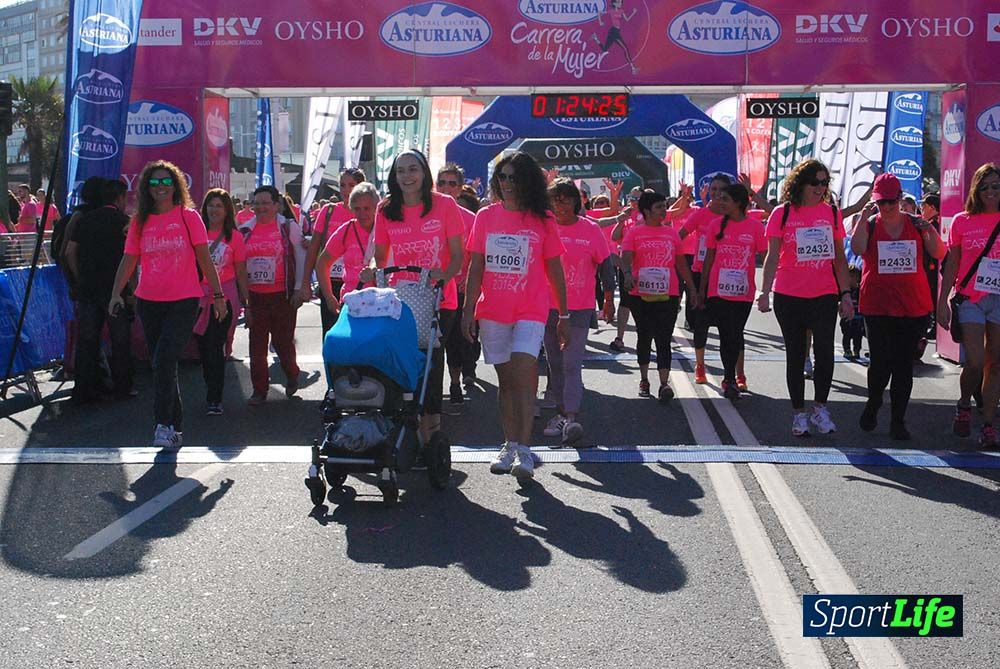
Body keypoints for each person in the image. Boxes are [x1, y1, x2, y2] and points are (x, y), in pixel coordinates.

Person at [462, 151, 567, 478]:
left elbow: (555, 268)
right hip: (493, 309)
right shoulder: (485, 217)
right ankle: (509, 444)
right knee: (506, 382)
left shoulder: (543, 219)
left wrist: (563, 315)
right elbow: (476, 265)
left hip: (531, 308)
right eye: (502, 177)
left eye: (513, 177)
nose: (507, 184)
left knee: (524, 372)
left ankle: (524, 448)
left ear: (526, 181)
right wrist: (467, 310)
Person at [108, 161, 227, 448]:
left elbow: (204, 258)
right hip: (149, 302)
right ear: (147, 187)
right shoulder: (139, 221)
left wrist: (219, 295)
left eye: (166, 182)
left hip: (184, 300)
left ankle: (162, 424)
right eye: (154, 183)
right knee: (164, 364)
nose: (160, 188)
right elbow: (129, 259)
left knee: (163, 360)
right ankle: (175, 427)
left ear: (175, 185)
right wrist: (115, 293)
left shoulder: (189, 217)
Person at [367, 150, 464, 446]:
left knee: (431, 368)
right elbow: (380, 260)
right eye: (400, 171)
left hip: (437, 302)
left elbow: (458, 257)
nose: (407, 177)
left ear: (424, 173)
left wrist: (441, 278)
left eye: (413, 170)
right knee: (400, 365)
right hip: (400, 303)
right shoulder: (385, 209)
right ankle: (402, 432)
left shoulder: (445, 206)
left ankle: (431, 436)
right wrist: (369, 272)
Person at [758, 159, 854, 437]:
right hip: (789, 295)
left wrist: (846, 294)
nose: (821, 188)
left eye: (825, 183)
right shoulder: (782, 213)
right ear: (800, 183)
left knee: (825, 354)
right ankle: (799, 414)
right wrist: (764, 292)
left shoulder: (832, 214)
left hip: (824, 294)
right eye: (816, 182)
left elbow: (839, 258)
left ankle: (821, 409)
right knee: (796, 355)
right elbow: (772, 256)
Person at [851, 173, 945, 440]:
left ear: (900, 199)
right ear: (875, 202)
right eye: (882, 203)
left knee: (903, 365)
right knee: (880, 363)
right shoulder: (869, 224)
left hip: (912, 305)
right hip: (878, 305)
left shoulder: (916, 224)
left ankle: (898, 421)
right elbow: (857, 250)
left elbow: (939, 253)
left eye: (892, 201)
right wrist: (861, 219)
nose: (887, 207)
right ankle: (874, 403)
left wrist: (929, 229)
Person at [541, 178, 614, 444]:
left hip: (579, 307)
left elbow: (606, 265)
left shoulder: (590, 229)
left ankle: (569, 416)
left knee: (572, 363)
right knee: (555, 364)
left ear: (577, 201)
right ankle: (560, 412)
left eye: (566, 198)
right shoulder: (543, 227)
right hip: (546, 306)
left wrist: (608, 298)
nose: (560, 204)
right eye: (555, 199)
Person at [937, 163, 1000, 448]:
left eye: (996, 186)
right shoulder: (963, 220)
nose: (991, 191)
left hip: (998, 299)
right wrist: (942, 302)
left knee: (995, 364)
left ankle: (988, 423)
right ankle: (964, 403)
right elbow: (952, 264)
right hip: (971, 298)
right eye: (985, 186)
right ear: (976, 189)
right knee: (974, 361)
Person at [621, 190, 697, 402]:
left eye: (665, 206)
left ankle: (664, 383)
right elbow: (625, 256)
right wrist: (627, 274)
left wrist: (691, 288)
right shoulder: (635, 233)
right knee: (644, 336)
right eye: (659, 207)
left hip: (668, 293)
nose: (664, 211)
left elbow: (681, 263)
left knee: (664, 338)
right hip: (640, 294)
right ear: (646, 211)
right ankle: (644, 378)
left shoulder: (671, 233)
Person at [65, 178, 134, 403]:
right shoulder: (125, 222)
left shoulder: (84, 220)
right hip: (116, 289)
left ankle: (83, 389)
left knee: (87, 341)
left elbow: (69, 252)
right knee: (120, 340)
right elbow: (132, 259)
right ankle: (123, 387)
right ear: (120, 198)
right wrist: (132, 289)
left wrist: (79, 277)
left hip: (87, 288)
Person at [697, 183, 767, 401]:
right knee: (727, 333)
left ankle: (732, 377)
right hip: (719, 291)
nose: (720, 202)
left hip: (743, 292)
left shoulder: (755, 227)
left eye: (725, 199)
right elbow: (708, 259)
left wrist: (768, 287)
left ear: (738, 203)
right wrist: (702, 290)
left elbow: (766, 257)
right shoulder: (716, 225)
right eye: (719, 198)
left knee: (735, 333)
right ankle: (729, 378)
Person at [240, 185, 307, 404]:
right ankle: (259, 390)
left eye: (265, 203)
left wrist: (299, 288)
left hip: (283, 295)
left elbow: (301, 257)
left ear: (276, 205)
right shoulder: (245, 230)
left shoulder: (289, 227)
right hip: (256, 296)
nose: (260, 207)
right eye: (257, 203)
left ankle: (292, 374)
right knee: (257, 345)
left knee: (282, 342)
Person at [195, 189, 249, 415]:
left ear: (227, 210)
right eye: (210, 205)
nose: (214, 210)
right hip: (197, 299)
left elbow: (240, 271)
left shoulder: (234, 237)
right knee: (204, 348)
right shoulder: (195, 233)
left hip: (224, 299)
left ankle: (214, 397)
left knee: (214, 346)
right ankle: (211, 385)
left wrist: (247, 300)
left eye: (219, 206)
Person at [680, 174, 732, 386]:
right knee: (700, 325)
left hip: (727, 277)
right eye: (713, 189)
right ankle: (700, 365)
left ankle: (730, 376)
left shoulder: (734, 216)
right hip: (701, 274)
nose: (717, 194)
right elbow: (679, 235)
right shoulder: (701, 215)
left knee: (729, 329)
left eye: (721, 190)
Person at [302, 167, 366, 336]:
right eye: (342, 185)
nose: (346, 190)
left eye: (351, 185)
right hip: (329, 282)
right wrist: (305, 283)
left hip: (359, 283)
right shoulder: (328, 211)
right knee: (331, 334)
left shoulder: (369, 213)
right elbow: (314, 249)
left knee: (358, 335)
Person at [435, 164, 480, 403]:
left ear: (460, 188)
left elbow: (476, 257)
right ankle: (432, 388)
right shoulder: (427, 213)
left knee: (457, 342)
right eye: (442, 182)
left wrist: (470, 284)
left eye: (452, 183)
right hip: (431, 289)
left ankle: (455, 382)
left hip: (460, 288)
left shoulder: (471, 219)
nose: (446, 188)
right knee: (433, 343)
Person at [316, 181, 378, 314]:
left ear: (376, 207)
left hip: (380, 301)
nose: (362, 213)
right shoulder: (347, 230)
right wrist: (328, 296)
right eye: (357, 208)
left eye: (366, 208)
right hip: (351, 300)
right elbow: (322, 263)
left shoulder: (384, 228)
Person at [920, 193, 942, 340]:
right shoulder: (930, 223)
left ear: (932, 208)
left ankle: (934, 326)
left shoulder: (933, 225)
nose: (922, 208)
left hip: (933, 267)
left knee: (933, 296)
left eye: (924, 205)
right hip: (930, 266)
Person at [840, 266, 864, 359]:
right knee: (847, 334)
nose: (854, 279)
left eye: (856, 277)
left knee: (858, 335)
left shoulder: (860, 290)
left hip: (858, 317)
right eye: (851, 276)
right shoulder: (845, 291)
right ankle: (847, 349)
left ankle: (857, 350)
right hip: (847, 318)